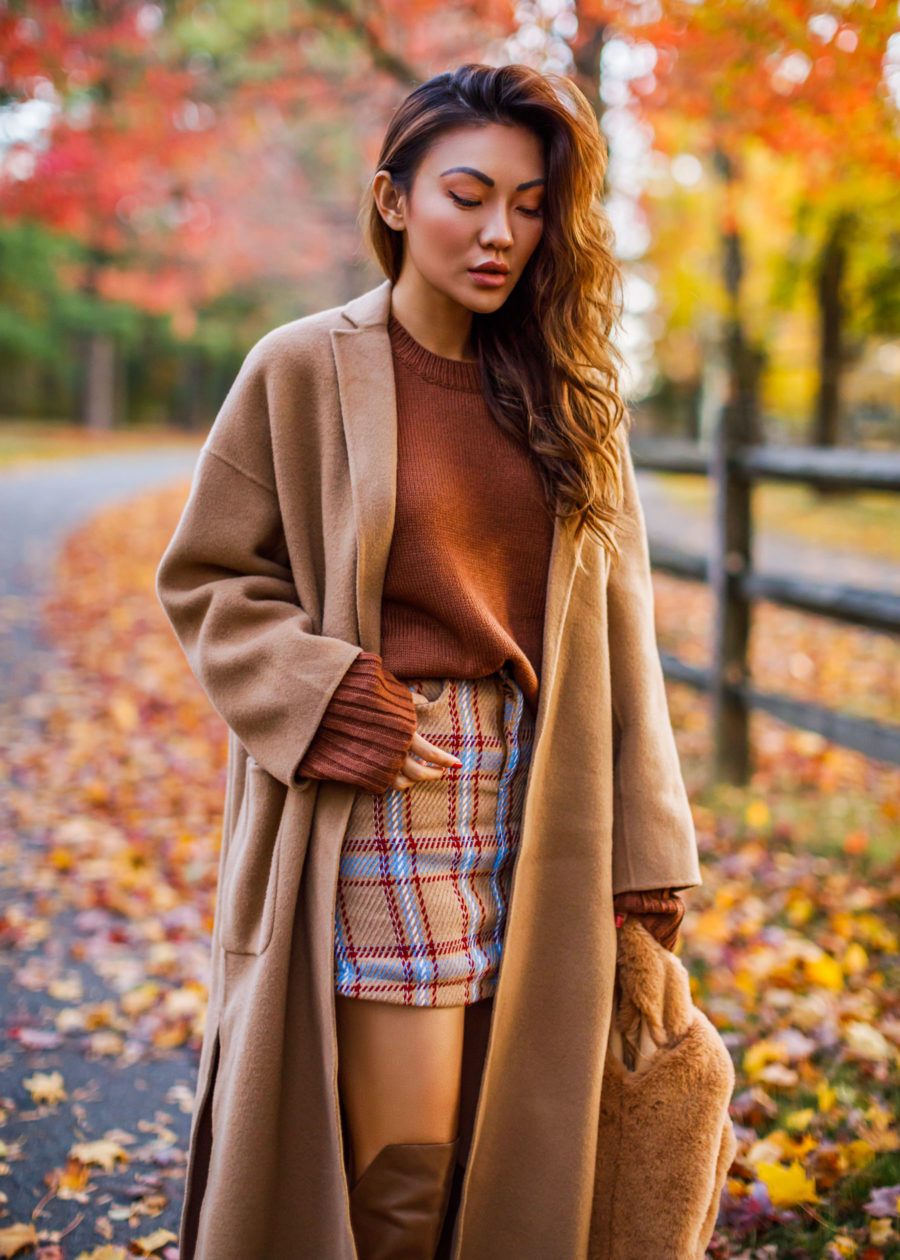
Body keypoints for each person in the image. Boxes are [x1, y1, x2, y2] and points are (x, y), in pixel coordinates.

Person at [156, 61, 701, 1260]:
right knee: (405, 1171)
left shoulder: (571, 396)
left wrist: (648, 860)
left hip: (548, 804)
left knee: (519, 1144)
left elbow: (622, 635)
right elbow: (205, 577)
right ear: (395, 201)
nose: (500, 231)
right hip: (384, 793)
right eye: (468, 193)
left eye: (530, 203)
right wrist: (322, 693)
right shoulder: (302, 366)